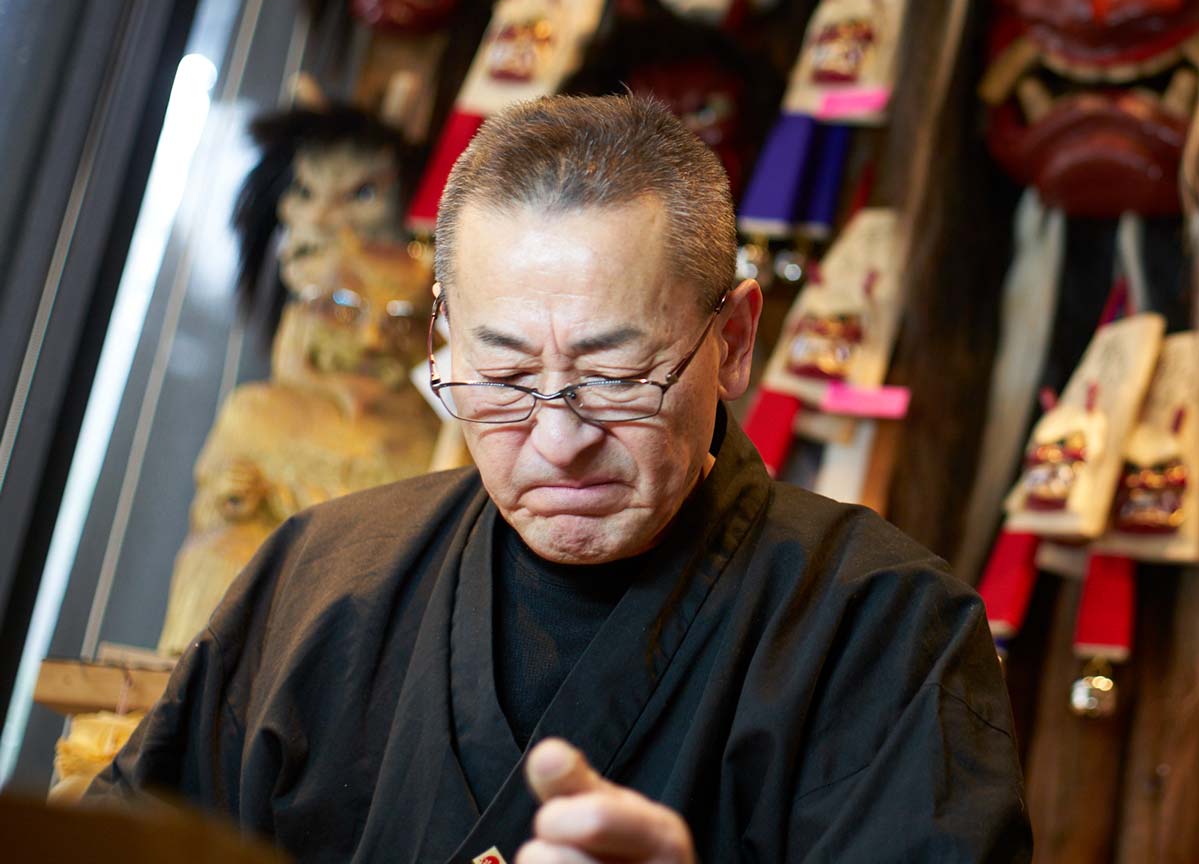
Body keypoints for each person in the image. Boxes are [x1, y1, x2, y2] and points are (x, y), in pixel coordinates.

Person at [94, 95, 1032, 863]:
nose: (557, 438)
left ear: (735, 341)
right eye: (501, 378)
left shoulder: (878, 627)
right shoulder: (326, 574)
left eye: (618, 376)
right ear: (443, 339)